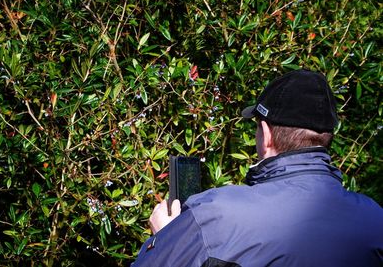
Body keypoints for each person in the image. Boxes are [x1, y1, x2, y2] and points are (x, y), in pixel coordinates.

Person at [132, 69, 383, 267]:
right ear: (327, 137)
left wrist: (165, 239)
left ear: (266, 133)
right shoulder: (375, 219)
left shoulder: (214, 216)